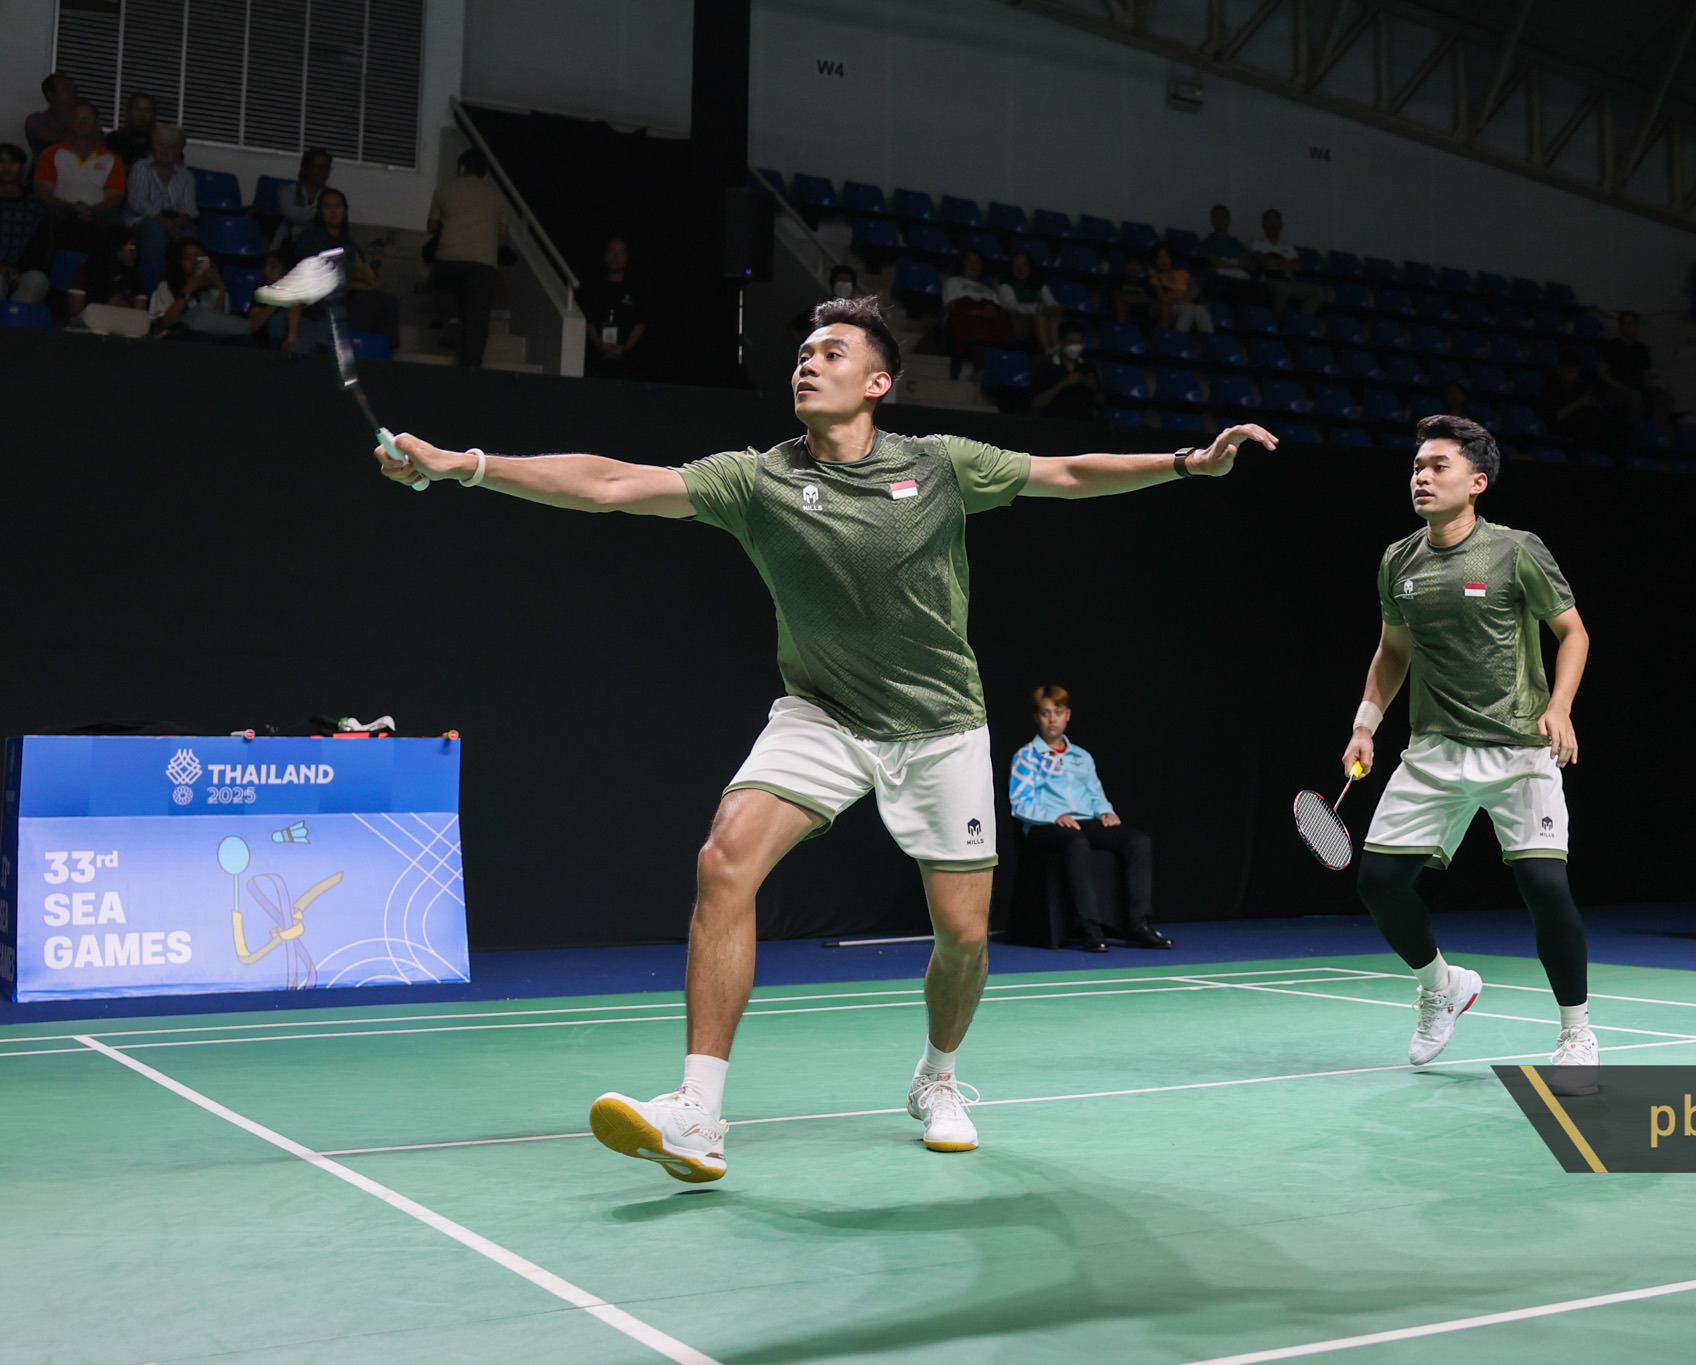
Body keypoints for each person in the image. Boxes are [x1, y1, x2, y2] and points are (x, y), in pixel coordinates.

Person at [370, 295, 1274, 1181]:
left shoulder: (941, 464)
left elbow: (1066, 473)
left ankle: (938, 1075)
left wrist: (1186, 464)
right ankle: (698, 1111)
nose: (808, 362)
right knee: (725, 860)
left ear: (878, 381)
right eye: (803, 353)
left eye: (832, 352)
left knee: (963, 935)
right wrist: (465, 465)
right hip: (824, 711)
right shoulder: (758, 479)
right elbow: (612, 484)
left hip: (940, 723)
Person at [1342, 415, 1595, 1088]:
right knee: (1378, 883)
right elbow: (1392, 651)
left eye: (1439, 466)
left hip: (1519, 748)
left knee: (1545, 885)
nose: (1422, 477)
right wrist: (1367, 723)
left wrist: (1559, 705)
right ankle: (1442, 985)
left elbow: (1573, 633)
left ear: (1477, 482)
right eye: (1417, 467)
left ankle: (1576, 1032)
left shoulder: (1516, 550)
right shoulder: (1398, 560)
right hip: (1434, 748)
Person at [1010, 684, 1173, 951]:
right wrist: (1055, 816)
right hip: (1045, 825)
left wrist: (1106, 811)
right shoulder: (1026, 756)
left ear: (1068, 715)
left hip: (1085, 821)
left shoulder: (1081, 756)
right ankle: (1089, 928)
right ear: (1036, 718)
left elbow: (1096, 794)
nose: (1052, 720)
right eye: (1045, 713)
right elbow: (1020, 804)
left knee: (1138, 841)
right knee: (1076, 842)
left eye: (1058, 713)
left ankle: (1139, 925)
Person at [426, 148, 510, 367]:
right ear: (484, 173)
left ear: (461, 168)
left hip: (449, 258)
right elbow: (502, 239)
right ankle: (471, 371)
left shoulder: (444, 189)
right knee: (478, 322)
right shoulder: (497, 198)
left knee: (441, 287)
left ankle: (451, 317)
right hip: (484, 265)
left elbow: (432, 226)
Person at [296, 187, 399, 351]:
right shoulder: (311, 235)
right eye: (327, 206)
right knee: (364, 300)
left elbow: (367, 275)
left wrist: (375, 267)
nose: (332, 211)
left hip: (347, 294)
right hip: (318, 299)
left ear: (345, 211)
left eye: (337, 206)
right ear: (320, 211)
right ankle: (353, 347)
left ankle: (385, 351)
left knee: (388, 301)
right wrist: (365, 282)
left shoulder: (349, 245)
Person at [33, 101, 124, 248]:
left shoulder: (112, 159)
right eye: (78, 118)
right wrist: (71, 207)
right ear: (70, 123)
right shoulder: (51, 154)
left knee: (113, 222)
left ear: (96, 125)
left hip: (98, 214)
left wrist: (91, 210)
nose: (83, 123)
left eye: (88, 119)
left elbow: (114, 198)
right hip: (60, 210)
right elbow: (43, 192)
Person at [149, 238, 251, 340]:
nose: (194, 262)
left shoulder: (214, 290)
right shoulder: (166, 286)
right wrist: (188, 290)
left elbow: (220, 325)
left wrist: (221, 290)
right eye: (188, 258)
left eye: (198, 257)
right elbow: (164, 323)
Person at [124, 123, 197, 263]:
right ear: (153, 146)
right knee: (156, 231)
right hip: (143, 221)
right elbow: (138, 202)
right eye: (161, 145)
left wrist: (177, 224)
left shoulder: (187, 176)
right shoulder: (141, 167)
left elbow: (190, 208)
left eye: (171, 146)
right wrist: (164, 222)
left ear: (179, 150)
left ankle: (201, 277)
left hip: (178, 222)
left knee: (192, 241)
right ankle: (151, 276)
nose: (165, 150)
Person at [579, 235, 646, 378]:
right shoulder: (595, 287)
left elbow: (640, 323)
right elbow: (588, 320)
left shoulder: (635, 288)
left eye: (621, 252)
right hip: (597, 360)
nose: (615, 257)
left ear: (627, 257)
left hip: (627, 362)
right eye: (611, 251)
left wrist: (624, 349)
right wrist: (599, 344)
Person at [940, 247, 1013, 380]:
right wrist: (979, 312)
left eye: (977, 262)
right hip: (964, 323)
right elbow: (952, 306)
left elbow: (997, 310)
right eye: (969, 261)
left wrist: (989, 312)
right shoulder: (954, 282)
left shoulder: (989, 290)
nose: (973, 265)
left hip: (988, 325)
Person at [66, 226, 148, 335]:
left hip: (124, 328)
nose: (135, 253)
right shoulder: (84, 271)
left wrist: (122, 308)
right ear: (116, 248)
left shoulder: (136, 277)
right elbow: (75, 311)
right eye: (132, 248)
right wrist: (106, 306)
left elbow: (139, 316)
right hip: (89, 329)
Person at [0, 143, 53, 305]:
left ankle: (17, 320)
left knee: (37, 280)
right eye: (1, 162)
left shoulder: (35, 206)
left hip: (25, 270)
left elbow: (39, 247)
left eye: (13, 162)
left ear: (22, 168)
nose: (6, 168)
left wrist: (18, 270)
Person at [1597, 311, 1670, 421]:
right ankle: (1635, 427)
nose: (1628, 327)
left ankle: (1653, 428)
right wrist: (1620, 387)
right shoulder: (1610, 346)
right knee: (1634, 397)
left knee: (1665, 399)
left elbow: (1646, 375)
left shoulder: (1642, 349)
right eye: (1624, 323)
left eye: (1631, 323)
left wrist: (1650, 390)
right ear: (1620, 326)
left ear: (1636, 326)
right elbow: (1602, 372)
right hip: (1615, 389)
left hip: (1637, 389)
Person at [1252, 208, 1321, 314]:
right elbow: (1265, 262)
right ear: (1263, 224)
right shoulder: (1257, 243)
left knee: (1316, 291)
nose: (1272, 224)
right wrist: (1285, 264)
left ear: (1281, 225)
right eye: (1269, 220)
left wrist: (1274, 262)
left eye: (1275, 220)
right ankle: (1279, 321)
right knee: (1283, 289)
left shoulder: (1288, 247)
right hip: (1267, 281)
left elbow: (1296, 266)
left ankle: (1301, 320)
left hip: (1288, 280)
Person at [1029, 318, 1100, 420]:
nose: (1076, 347)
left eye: (1079, 343)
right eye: (1071, 342)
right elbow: (1036, 403)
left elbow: (1100, 401)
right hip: (1054, 423)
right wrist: (1064, 384)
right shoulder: (1045, 366)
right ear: (1061, 341)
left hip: (1083, 424)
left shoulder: (1088, 366)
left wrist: (1094, 388)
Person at [997, 250, 1059, 353]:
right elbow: (1011, 307)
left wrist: (1053, 308)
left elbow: (1051, 302)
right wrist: (1037, 308)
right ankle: (1048, 351)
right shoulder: (1006, 286)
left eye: (1024, 264)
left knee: (1054, 315)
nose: (1020, 268)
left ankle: (1056, 350)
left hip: (1043, 319)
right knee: (1039, 316)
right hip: (1017, 323)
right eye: (1016, 264)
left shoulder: (1040, 285)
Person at [270, 147, 332, 250]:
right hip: (286, 247)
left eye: (327, 168)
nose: (323, 172)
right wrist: (320, 215)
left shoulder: (331, 196)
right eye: (319, 167)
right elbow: (294, 216)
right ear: (305, 168)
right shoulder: (287, 190)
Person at [1199, 203, 1254, 303]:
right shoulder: (1208, 242)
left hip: (1241, 278)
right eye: (1217, 217)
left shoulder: (1236, 243)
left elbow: (1247, 260)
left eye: (1223, 217)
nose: (1220, 220)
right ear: (1212, 221)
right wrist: (1236, 266)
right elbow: (1216, 262)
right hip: (1222, 280)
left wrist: (1231, 266)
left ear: (1228, 220)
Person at [1149, 244, 1211, 333]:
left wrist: (1177, 294)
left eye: (1166, 256)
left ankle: (1209, 339)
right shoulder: (1156, 279)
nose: (1163, 260)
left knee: (1201, 309)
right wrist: (1186, 294)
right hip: (1173, 310)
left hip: (1191, 307)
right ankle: (1178, 338)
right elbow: (1163, 298)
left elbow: (1195, 291)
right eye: (1159, 257)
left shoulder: (1183, 274)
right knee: (1188, 309)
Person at [22, 73, 77, 163]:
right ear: (51, 95)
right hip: (43, 170)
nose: (73, 92)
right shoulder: (36, 119)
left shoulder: (83, 119)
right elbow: (51, 137)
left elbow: (98, 141)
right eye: (66, 88)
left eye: (73, 88)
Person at [105, 91, 156, 170]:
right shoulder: (114, 139)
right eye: (138, 109)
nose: (142, 115)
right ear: (130, 112)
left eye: (147, 110)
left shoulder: (158, 144)